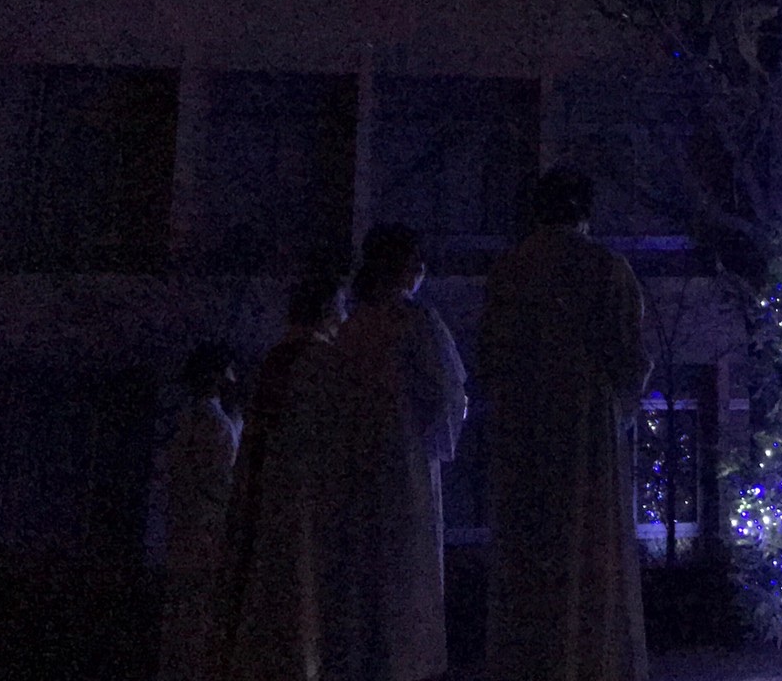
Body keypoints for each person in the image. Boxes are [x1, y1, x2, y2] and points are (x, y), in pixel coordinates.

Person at [481, 166, 651, 681]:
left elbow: (490, 357)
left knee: (530, 552)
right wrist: (617, 408)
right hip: (586, 428)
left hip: (524, 430)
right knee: (591, 547)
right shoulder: (606, 268)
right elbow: (631, 357)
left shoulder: (510, 271)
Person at [316, 225, 467, 681]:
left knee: (365, 576)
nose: (421, 270)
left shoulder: (352, 327)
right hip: (405, 466)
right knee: (406, 572)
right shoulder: (414, 322)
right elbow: (449, 393)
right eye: (414, 260)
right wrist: (436, 436)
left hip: (358, 470)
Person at [219, 265, 348, 681]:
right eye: (340, 308)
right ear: (327, 311)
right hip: (306, 499)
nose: (344, 318)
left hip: (270, 496)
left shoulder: (277, 359)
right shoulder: (320, 362)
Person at [158, 341, 240, 681]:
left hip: (183, 534)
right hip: (209, 538)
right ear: (219, 376)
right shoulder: (218, 425)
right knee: (203, 625)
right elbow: (224, 486)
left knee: (179, 623)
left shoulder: (184, 423)